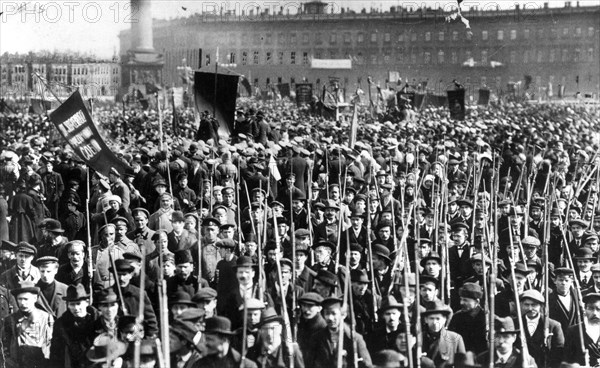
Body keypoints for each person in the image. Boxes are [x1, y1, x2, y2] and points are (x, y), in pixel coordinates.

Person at [305, 296, 372, 368]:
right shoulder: (316, 338)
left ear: (343, 315)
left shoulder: (355, 339)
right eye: (327, 313)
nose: (330, 318)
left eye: (334, 313)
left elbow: (367, 365)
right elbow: (309, 364)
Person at [1, 281, 54, 368]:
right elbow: (5, 345)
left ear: (35, 298)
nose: (23, 303)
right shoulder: (10, 320)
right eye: (20, 299)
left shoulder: (46, 318)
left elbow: (50, 343)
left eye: (26, 299)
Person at [50, 283, 100, 368]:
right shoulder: (61, 324)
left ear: (87, 303)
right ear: (67, 305)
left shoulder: (98, 321)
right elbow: (56, 353)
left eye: (78, 303)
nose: (76, 308)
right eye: (72, 304)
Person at [516, 289, 564, 368]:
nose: (530, 308)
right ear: (521, 305)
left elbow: (559, 354)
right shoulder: (516, 323)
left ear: (540, 306)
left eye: (534, 305)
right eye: (526, 305)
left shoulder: (553, 325)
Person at [192, 316, 258, 368]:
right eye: (206, 339)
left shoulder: (247, 366)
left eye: (210, 339)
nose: (206, 343)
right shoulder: (199, 365)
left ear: (224, 340)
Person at [421, 299, 466, 366]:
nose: (435, 322)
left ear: (444, 320)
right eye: (431, 318)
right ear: (426, 320)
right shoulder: (419, 338)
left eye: (438, 319)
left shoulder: (455, 338)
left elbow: (463, 364)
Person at [448, 282, 488, 355]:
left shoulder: (486, 318)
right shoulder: (457, 317)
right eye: (461, 299)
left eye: (465, 300)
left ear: (477, 301)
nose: (461, 303)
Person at [563, 292, 600, 366]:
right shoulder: (573, 331)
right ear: (585, 310)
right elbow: (567, 360)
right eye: (591, 308)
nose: (595, 313)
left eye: (599, 309)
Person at [296, 292, 326, 357]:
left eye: (310, 306)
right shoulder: (303, 322)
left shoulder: (322, 327)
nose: (306, 310)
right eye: (304, 305)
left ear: (319, 308)